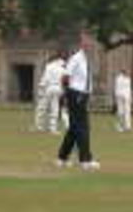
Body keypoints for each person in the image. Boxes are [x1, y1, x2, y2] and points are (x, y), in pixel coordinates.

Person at [57, 31, 99, 170]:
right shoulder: (76, 58)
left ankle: (62, 157)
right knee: (83, 127)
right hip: (76, 94)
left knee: (74, 128)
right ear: (81, 43)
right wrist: (68, 94)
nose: (90, 44)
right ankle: (85, 159)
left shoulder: (86, 59)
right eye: (87, 41)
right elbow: (65, 77)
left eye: (91, 42)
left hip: (82, 94)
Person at [34, 51, 67, 133]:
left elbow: (45, 78)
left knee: (42, 107)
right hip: (58, 88)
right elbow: (65, 80)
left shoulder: (49, 66)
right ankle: (52, 128)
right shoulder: (63, 68)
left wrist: (41, 89)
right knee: (54, 108)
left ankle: (39, 126)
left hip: (49, 88)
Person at [114, 69, 133, 133]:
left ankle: (125, 126)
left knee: (124, 111)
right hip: (123, 96)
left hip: (123, 96)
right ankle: (123, 126)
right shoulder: (122, 79)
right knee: (122, 111)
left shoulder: (125, 79)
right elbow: (125, 88)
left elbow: (128, 89)